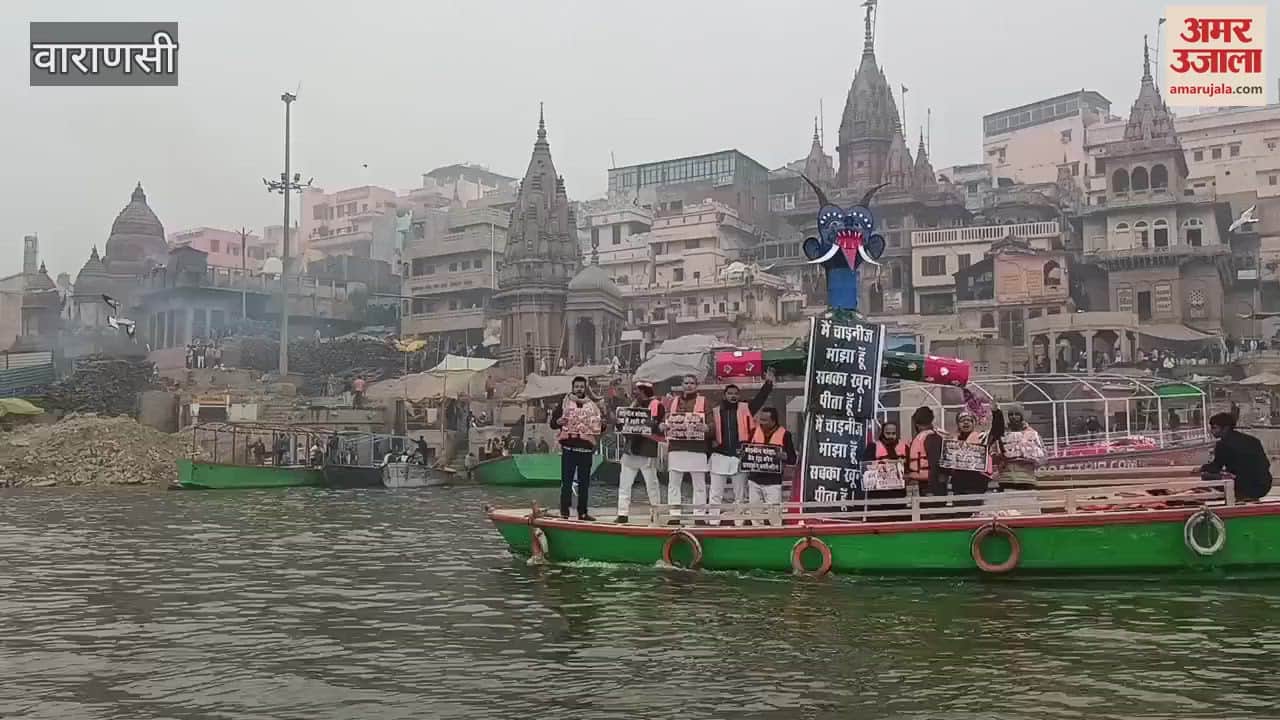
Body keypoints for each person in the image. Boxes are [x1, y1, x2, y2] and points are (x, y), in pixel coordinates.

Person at [708, 368, 774, 524]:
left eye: (736, 394)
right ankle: (712, 522)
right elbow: (708, 431)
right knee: (716, 492)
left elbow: (760, 399)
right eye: (730, 393)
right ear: (725, 395)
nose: (733, 396)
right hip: (720, 456)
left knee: (740, 493)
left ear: (739, 396)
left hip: (739, 456)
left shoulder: (746, 408)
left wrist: (769, 383)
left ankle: (739, 522)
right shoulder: (715, 411)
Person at [550, 376, 602, 520]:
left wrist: (600, 424)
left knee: (584, 484)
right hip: (569, 449)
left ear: (585, 388)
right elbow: (553, 423)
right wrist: (558, 421)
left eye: (581, 386)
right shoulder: (564, 403)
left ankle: (583, 512)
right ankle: (564, 512)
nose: (579, 389)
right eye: (577, 386)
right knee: (566, 483)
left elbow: (600, 426)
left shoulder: (592, 405)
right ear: (572, 388)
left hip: (586, 450)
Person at [662, 374, 712, 523]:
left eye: (692, 383)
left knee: (699, 485)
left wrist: (707, 427)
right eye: (686, 383)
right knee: (674, 484)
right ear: (682, 385)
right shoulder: (673, 401)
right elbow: (665, 420)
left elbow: (712, 423)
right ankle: (674, 515)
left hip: (697, 448)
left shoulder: (704, 402)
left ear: (696, 386)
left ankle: (700, 516)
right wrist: (662, 425)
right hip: (676, 448)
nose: (689, 385)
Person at [615, 380, 664, 523]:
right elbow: (625, 426)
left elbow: (655, 426)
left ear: (643, 391)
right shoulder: (632, 406)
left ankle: (656, 514)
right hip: (630, 450)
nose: (634, 392)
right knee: (624, 484)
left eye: (636, 390)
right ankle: (622, 514)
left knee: (652, 485)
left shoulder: (657, 405)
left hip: (647, 450)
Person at [1200, 412, 1273, 501]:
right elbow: (1265, 464)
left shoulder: (1223, 445)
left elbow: (1216, 467)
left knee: (1207, 477)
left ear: (1226, 428)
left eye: (1214, 428)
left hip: (1244, 487)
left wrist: (1202, 469)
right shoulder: (1253, 440)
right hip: (1264, 485)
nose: (1211, 431)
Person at [743, 407, 796, 525]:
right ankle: (757, 535)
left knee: (774, 515)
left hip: (773, 482)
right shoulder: (753, 432)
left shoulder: (785, 434)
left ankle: (776, 536)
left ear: (773, 421)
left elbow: (793, 459)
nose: (761, 422)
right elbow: (745, 452)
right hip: (754, 479)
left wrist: (784, 456)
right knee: (755, 514)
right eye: (760, 419)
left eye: (764, 420)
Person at [990, 402, 1046, 492]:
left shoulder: (1033, 434)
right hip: (1006, 478)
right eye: (1011, 414)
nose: (1013, 417)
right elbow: (993, 455)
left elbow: (1043, 456)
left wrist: (1031, 459)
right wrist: (998, 457)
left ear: (1022, 416)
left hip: (1027, 479)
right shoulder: (1002, 434)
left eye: (1017, 414)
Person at [859, 419, 908, 518]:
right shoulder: (873, 447)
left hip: (898, 496)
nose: (890, 436)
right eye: (888, 433)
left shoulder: (904, 447)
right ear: (882, 433)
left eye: (893, 433)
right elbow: (865, 468)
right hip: (878, 497)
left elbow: (910, 467)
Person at [947, 411, 992, 508]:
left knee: (974, 511)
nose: (966, 423)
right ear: (958, 424)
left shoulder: (981, 438)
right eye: (962, 421)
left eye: (969, 420)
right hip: (959, 485)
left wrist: (996, 412)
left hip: (976, 483)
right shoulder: (952, 441)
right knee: (960, 513)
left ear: (973, 423)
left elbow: (997, 431)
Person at [905, 407, 945, 497]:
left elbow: (935, 463)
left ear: (916, 423)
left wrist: (932, 489)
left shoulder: (931, 437)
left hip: (931, 486)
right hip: (922, 483)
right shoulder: (931, 437)